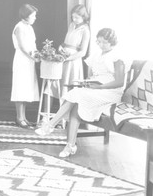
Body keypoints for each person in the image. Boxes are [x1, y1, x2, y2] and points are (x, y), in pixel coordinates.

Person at [36, 28, 128, 158]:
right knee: (77, 106)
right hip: (97, 90)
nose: (100, 45)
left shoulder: (117, 57)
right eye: (99, 41)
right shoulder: (97, 55)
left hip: (111, 92)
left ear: (112, 43)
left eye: (104, 42)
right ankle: (70, 145)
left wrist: (100, 87)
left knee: (77, 94)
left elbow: (119, 82)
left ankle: (51, 125)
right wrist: (88, 83)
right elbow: (94, 76)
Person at [11, 4, 40, 128]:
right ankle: (19, 117)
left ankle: (24, 117)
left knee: (26, 88)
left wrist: (37, 54)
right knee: (20, 87)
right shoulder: (19, 27)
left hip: (29, 60)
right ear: (26, 16)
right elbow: (22, 47)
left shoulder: (29, 27)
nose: (35, 18)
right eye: (33, 16)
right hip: (22, 60)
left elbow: (32, 45)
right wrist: (33, 57)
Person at [59, 4, 91, 98]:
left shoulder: (85, 30)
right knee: (61, 82)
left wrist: (68, 58)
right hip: (63, 57)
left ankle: (68, 110)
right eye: (73, 17)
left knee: (69, 83)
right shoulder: (72, 25)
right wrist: (61, 46)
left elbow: (83, 52)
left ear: (83, 17)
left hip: (73, 61)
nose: (74, 19)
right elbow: (66, 42)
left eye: (77, 17)